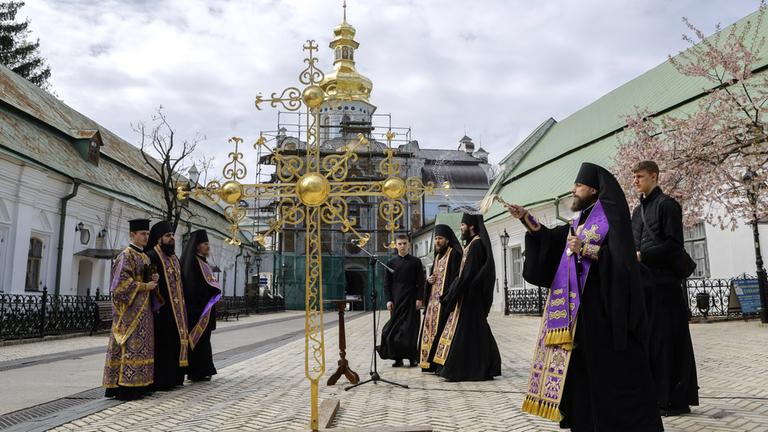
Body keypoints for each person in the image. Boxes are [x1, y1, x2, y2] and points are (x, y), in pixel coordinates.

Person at [508, 162, 662, 431]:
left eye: (577, 186)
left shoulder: (610, 218)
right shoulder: (580, 220)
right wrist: (526, 218)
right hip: (580, 315)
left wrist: (587, 249)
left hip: (606, 313)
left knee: (610, 375)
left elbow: (623, 262)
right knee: (582, 373)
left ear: (592, 189)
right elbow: (554, 239)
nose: (573, 190)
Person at [631, 160, 699, 416]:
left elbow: (674, 244)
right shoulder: (637, 212)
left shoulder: (668, 205)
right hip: (644, 286)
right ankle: (653, 397)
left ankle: (674, 400)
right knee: (649, 342)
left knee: (668, 341)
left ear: (654, 177)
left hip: (666, 287)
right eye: (634, 177)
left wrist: (642, 256)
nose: (636, 181)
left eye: (640, 176)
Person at [432, 213, 501, 382]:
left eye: (463, 225)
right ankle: (482, 366)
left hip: (470, 296)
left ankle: (459, 369)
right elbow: (463, 273)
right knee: (476, 332)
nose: (461, 228)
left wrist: (453, 292)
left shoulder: (476, 245)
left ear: (471, 226)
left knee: (468, 332)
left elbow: (468, 274)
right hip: (468, 295)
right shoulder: (471, 244)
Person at [103, 218, 160, 400]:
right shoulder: (125, 255)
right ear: (132, 235)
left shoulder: (145, 256)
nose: (146, 237)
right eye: (143, 234)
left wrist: (154, 280)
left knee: (143, 348)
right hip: (129, 314)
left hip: (144, 312)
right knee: (130, 348)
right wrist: (145, 286)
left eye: (148, 234)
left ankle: (141, 384)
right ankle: (125, 387)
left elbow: (146, 281)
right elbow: (120, 286)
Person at [146, 220, 189, 390]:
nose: (171, 238)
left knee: (175, 343)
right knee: (163, 344)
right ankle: (162, 380)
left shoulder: (174, 259)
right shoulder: (152, 256)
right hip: (161, 310)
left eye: (172, 235)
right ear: (158, 239)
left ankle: (175, 378)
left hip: (178, 311)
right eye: (167, 236)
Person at [419, 224, 462, 373]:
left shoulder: (454, 254)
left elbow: (456, 278)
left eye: (440, 238)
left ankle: (440, 364)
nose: (437, 241)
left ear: (448, 240)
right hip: (433, 304)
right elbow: (434, 277)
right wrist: (429, 280)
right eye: (436, 238)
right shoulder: (437, 256)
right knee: (430, 331)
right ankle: (429, 363)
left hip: (445, 302)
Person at [377, 234, 426, 367]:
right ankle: (397, 358)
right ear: (396, 245)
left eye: (404, 243)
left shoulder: (416, 261)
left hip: (411, 300)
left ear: (409, 244)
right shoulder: (390, 263)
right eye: (400, 244)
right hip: (397, 300)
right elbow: (387, 284)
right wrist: (388, 300)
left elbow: (421, 282)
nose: (402, 246)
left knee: (411, 329)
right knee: (395, 329)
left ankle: (412, 358)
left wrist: (419, 298)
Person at [181, 229, 222, 381]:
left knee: (204, 341)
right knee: (198, 342)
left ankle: (204, 369)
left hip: (206, 308)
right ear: (197, 246)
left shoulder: (203, 262)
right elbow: (193, 288)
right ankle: (197, 371)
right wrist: (209, 293)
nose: (208, 247)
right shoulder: (193, 263)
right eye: (205, 244)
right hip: (197, 310)